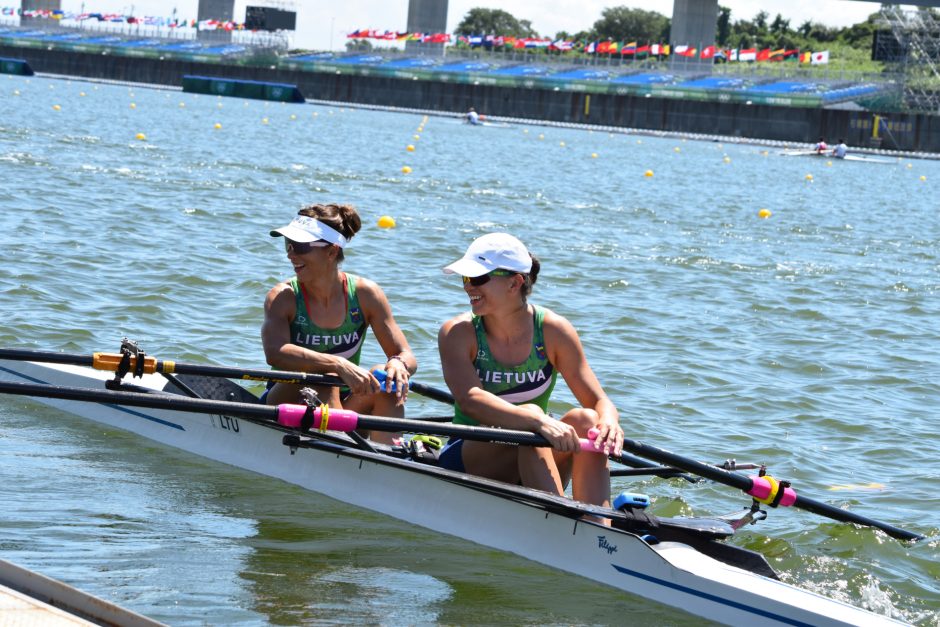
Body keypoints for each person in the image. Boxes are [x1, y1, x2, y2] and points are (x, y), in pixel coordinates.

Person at [436, 233, 624, 522]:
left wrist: (609, 422)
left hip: (532, 451)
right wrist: (537, 420)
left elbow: (599, 400)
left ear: (515, 282)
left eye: (477, 279)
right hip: (469, 455)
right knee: (533, 414)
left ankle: (600, 526)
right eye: (465, 279)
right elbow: (470, 400)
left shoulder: (554, 331)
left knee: (588, 421)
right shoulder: (458, 332)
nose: (468, 287)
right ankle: (561, 524)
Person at [262, 203, 417, 443]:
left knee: (386, 380)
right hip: (288, 398)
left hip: (345, 401)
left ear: (332, 251)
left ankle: (390, 456)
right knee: (324, 373)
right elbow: (275, 353)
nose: (290, 254)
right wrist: (337, 363)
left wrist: (398, 364)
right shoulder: (283, 297)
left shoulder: (366, 294)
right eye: (287, 244)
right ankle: (343, 446)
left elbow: (405, 354)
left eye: (300, 246)